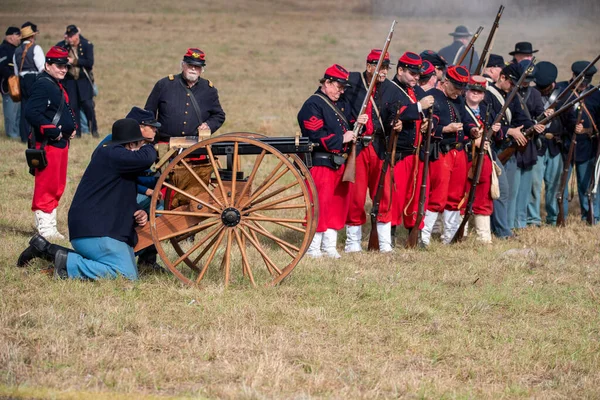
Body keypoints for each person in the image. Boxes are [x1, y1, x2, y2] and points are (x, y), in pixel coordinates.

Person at [17, 118, 157, 280]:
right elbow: (146, 158)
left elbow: (116, 193)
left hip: (99, 226)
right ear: (131, 145)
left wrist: (137, 211)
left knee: (127, 267)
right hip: (96, 230)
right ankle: (62, 260)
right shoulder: (113, 154)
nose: (141, 149)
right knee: (126, 275)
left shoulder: (114, 155)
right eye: (139, 144)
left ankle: (45, 249)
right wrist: (151, 144)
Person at [297, 64, 368, 258]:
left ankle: (329, 246)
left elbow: (346, 128)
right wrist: (341, 139)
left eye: (343, 87)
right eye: (338, 86)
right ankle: (313, 247)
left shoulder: (340, 104)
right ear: (327, 83)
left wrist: (358, 123)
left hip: (338, 162)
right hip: (321, 162)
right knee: (320, 204)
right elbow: (315, 135)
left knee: (337, 205)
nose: (341, 91)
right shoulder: (312, 104)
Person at [145, 48, 226, 208]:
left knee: (192, 190)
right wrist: (150, 138)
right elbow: (148, 112)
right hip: (165, 148)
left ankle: (187, 224)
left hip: (194, 150)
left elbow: (219, 115)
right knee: (165, 187)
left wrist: (208, 125)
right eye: (190, 65)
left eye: (197, 66)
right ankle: (161, 215)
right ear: (183, 65)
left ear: (202, 69)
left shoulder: (209, 90)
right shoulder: (164, 85)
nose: (193, 69)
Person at [343, 49, 400, 253]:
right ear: (369, 67)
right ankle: (353, 243)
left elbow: (394, 113)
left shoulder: (391, 89)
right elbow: (339, 109)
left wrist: (396, 122)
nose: (383, 72)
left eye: (385, 68)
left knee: (383, 193)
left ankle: (384, 243)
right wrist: (353, 122)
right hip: (358, 146)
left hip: (379, 146)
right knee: (355, 195)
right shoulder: (353, 83)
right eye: (380, 67)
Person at [24, 46, 77, 240]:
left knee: (57, 185)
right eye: (59, 66)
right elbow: (31, 112)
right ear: (47, 65)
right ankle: (45, 229)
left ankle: (49, 226)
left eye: (65, 66)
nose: (63, 69)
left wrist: (71, 128)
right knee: (46, 185)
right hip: (48, 144)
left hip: (60, 144)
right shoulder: (43, 84)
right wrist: (54, 132)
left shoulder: (55, 83)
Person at [388, 52, 435, 243]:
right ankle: (387, 237)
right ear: (400, 70)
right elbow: (393, 112)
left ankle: (414, 235)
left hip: (416, 153)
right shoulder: (390, 90)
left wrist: (427, 122)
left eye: (418, 75)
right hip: (398, 154)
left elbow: (433, 108)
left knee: (415, 196)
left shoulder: (415, 90)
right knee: (394, 197)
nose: (416, 78)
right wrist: (418, 108)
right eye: (412, 74)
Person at [461, 75, 502, 243]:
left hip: (484, 159)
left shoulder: (487, 111)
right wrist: (473, 141)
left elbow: (498, 137)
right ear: (466, 91)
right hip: (465, 158)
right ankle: (459, 233)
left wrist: (496, 130)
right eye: (472, 90)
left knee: (484, 197)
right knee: (462, 196)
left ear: (484, 94)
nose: (475, 93)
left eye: (479, 91)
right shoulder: (459, 108)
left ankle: (483, 237)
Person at [562, 61, 600, 223]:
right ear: (573, 76)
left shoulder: (595, 94)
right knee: (561, 186)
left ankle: (591, 216)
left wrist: (587, 130)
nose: (583, 86)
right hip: (564, 146)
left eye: (586, 82)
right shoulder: (564, 91)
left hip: (587, 146)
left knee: (587, 186)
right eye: (581, 82)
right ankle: (559, 216)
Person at [528, 61, 564, 226]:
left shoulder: (561, 97)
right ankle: (533, 218)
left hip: (555, 146)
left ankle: (554, 217)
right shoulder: (530, 94)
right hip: (537, 145)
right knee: (534, 185)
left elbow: (568, 120)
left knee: (554, 185)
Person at [56, 25, 98, 138]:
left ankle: (94, 130)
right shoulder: (63, 46)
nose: (69, 39)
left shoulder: (86, 45)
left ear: (76, 35)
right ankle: (77, 133)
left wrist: (74, 61)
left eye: (71, 36)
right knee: (73, 107)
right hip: (70, 81)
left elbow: (89, 62)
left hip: (83, 80)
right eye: (68, 37)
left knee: (88, 106)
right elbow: (56, 53)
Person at [13, 23, 44, 143]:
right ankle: (34, 135)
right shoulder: (36, 48)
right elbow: (41, 67)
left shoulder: (16, 51)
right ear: (31, 37)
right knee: (36, 108)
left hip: (21, 79)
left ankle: (24, 136)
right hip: (33, 78)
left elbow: (16, 70)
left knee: (24, 108)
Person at [0, 26, 21, 139]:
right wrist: (13, 77)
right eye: (18, 36)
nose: (19, 38)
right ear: (11, 36)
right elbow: (2, 67)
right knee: (10, 112)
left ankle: (16, 133)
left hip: (17, 86)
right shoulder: (3, 49)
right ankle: (11, 134)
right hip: (8, 86)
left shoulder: (14, 49)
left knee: (17, 112)